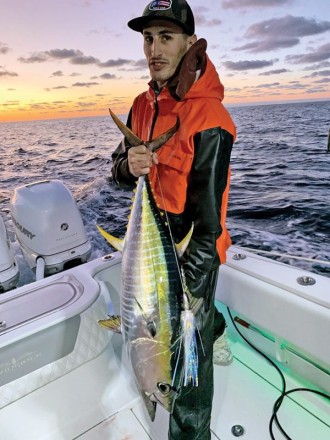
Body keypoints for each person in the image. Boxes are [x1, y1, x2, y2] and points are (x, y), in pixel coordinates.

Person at [110, 1, 236, 438]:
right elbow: (117, 173)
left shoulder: (211, 119)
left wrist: (189, 297)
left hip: (193, 249)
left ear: (189, 42)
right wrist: (130, 164)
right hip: (151, 239)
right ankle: (213, 328)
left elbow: (210, 221)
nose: (154, 49)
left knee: (189, 363)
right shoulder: (141, 106)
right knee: (177, 335)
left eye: (166, 37)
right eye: (148, 38)